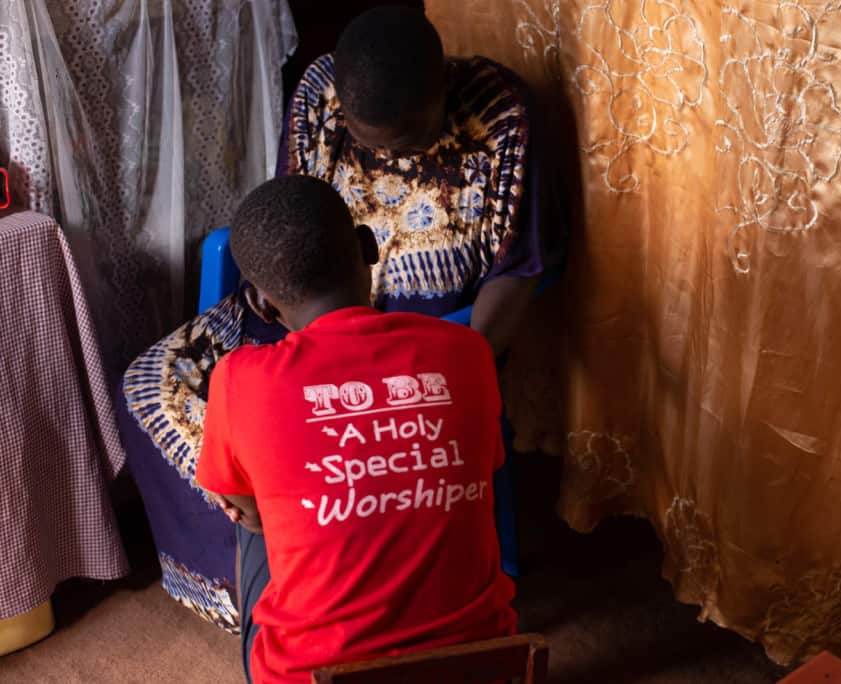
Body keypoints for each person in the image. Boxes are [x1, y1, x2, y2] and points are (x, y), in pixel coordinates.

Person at [119, 5, 560, 630]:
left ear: (441, 92)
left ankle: (297, 572)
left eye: (406, 139)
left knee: (264, 440)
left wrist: (464, 370)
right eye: (366, 137)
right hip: (299, 306)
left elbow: (521, 264)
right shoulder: (320, 90)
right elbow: (288, 217)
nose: (387, 154)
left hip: (423, 339)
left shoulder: (504, 114)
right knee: (149, 389)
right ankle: (260, 580)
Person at [197, 175, 516, 684]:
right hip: (484, 666)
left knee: (245, 506)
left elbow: (250, 512)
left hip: (310, 675)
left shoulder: (239, 380)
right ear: (368, 247)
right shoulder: (467, 352)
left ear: (260, 304)